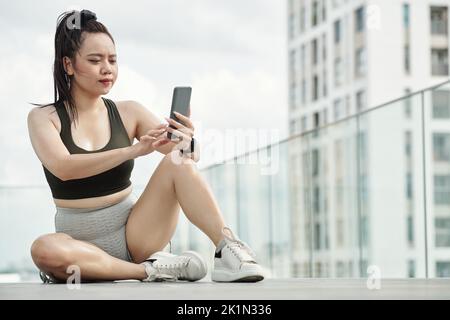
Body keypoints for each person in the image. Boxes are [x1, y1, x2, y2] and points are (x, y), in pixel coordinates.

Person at [27, 9, 265, 283]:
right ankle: (153, 270)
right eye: (95, 60)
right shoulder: (44, 118)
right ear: (68, 65)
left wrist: (188, 141)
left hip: (135, 236)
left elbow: (188, 158)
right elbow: (63, 167)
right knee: (43, 249)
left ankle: (228, 249)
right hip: (78, 246)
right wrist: (132, 150)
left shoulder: (130, 112)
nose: (107, 68)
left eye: (112, 60)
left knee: (178, 161)